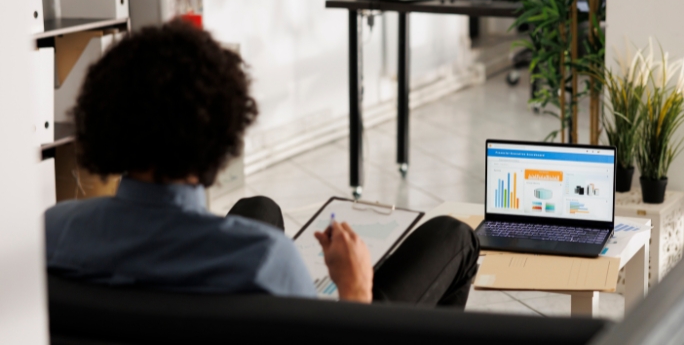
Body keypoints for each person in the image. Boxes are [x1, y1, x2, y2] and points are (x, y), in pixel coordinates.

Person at [45, 20, 479, 306]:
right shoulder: (266, 261)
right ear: (222, 131)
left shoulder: (53, 232)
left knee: (260, 208)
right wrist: (355, 286)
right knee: (453, 236)